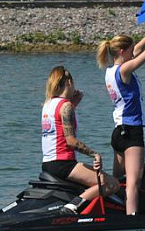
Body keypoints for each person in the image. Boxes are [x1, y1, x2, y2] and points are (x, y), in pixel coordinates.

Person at [96, 16, 145, 215]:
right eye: (130, 50)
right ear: (122, 52)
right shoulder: (124, 71)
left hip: (118, 133)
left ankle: (113, 214)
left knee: (119, 181)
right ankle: (131, 224)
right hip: (132, 133)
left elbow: (137, 50)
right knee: (133, 183)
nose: (133, 53)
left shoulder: (111, 70)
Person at [42, 66, 119, 214]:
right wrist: (94, 154)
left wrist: (74, 105)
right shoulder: (66, 106)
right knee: (112, 184)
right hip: (63, 164)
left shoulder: (48, 104)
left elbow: (58, 126)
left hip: (48, 163)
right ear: (69, 83)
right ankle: (72, 207)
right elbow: (70, 141)